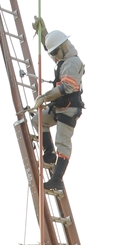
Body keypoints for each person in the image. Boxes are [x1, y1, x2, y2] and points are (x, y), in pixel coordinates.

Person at [30, 16, 85, 191]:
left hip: (69, 109)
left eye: (54, 53)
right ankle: (49, 154)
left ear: (62, 48)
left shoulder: (73, 63)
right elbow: (50, 46)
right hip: (59, 106)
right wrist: (41, 30)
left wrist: (44, 97)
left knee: (63, 142)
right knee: (38, 120)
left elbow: (66, 88)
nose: (53, 56)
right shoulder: (62, 55)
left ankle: (57, 179)